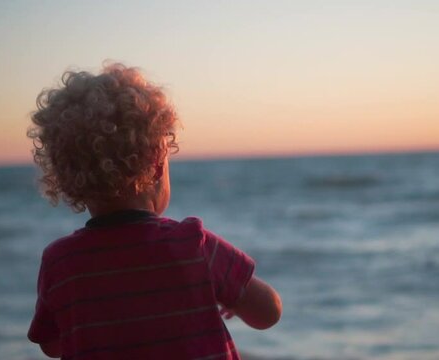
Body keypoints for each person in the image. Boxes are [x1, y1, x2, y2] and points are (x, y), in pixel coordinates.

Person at [26, 62, 282, 359]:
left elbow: (52, 345)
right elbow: (269, 312)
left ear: (67, 177)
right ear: (158, 164)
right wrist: (234, 300)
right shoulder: (190, 244)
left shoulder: (61, 262)